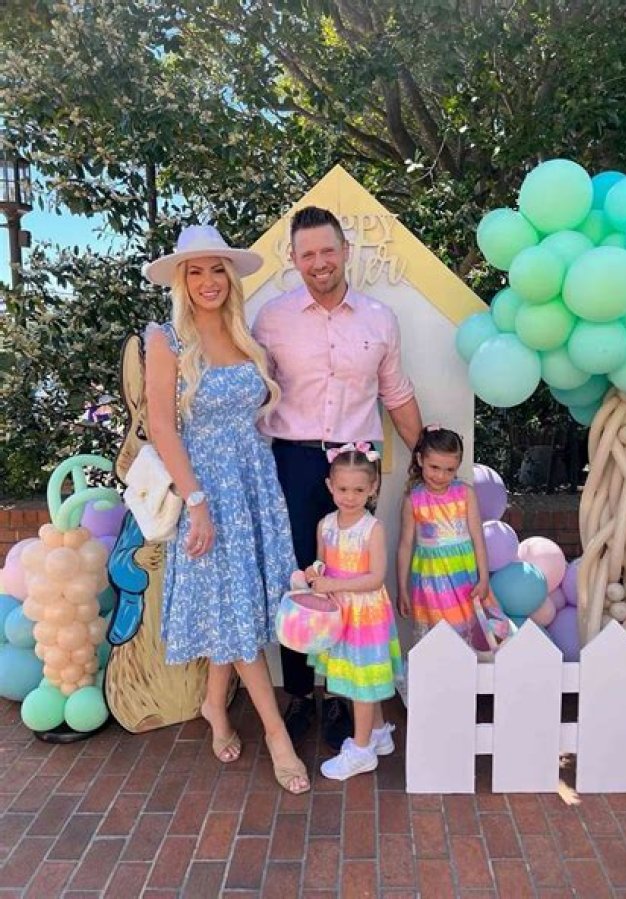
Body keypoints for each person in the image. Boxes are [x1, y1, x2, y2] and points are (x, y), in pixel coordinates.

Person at [142, 224, 309, 793]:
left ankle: (215, 705)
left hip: (253, 484)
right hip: (207, 490)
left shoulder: (246, 335)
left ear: (230, 278)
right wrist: (197, 502)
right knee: (234, 609)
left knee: (234, 605)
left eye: (217, 269)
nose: (208, 281)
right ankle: (277, 736)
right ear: (182, 280)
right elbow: (163, 427)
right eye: (196, 271)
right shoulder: (165, 339)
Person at [252, 205, 422, 749]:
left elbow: (396, 393)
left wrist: (424, 460)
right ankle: (302, 694)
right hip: (293, 462)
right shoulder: (270, 319)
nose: (319, 262)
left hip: (355, 465)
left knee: (350, 580)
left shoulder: (379, 319)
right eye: (308, 254)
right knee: (300, 577)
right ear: (294, 258)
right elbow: (253, 394)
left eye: (328, 250)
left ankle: (344, 695)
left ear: (345, 251)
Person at [305, 445, 402, 780]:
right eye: (343, 489)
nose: (350, 497)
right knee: (361, 676)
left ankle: (361, 751)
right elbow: (322, 562)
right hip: (339, 613)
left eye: (359, 490)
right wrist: (315, 572)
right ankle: (378, 733)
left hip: (365, 615)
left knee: (362, 681)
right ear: (330, 486)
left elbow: (375, 578)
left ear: (372, 488)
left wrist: (333, 584)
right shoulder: (325, 525)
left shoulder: (372, 529)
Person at [396, 425, 512, 648]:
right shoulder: (413, 500)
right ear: (420, 460)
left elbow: (478, 539)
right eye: (434, 467)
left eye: (449, 470)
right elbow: (404, 546)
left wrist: (484, 579)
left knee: (465, 631)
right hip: (429, 581)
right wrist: (402, 588)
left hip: (463, 579)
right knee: (436, 635)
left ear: (458, 467)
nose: (441, 476)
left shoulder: (465, 494)